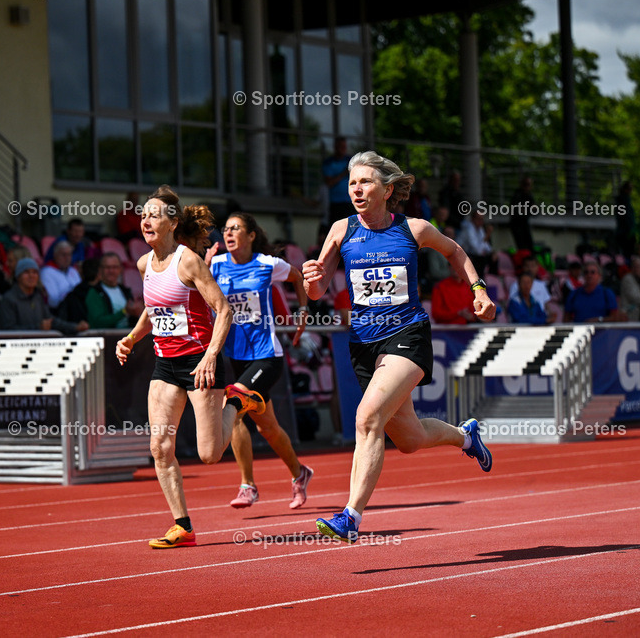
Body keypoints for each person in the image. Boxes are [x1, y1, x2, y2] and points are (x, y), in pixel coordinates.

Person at [302, 150, 495, 543]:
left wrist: (478, 290)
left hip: (407, 335)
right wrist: (310, 279)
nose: (356, 189)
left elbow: (455, 251)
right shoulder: (340, 230)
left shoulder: (415, 229)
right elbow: (318, 290)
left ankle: (350, 517)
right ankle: (465, 436)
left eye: (365, 182)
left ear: (387, 190)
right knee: (410, 439)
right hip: (364, 344)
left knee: (367, 418)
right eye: (352, 183)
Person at [115, 186, 241, 548]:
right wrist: (131, 338)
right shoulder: (144, 264)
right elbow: (154, 309)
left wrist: (211, 355)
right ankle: (182, 526)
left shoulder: (188, 261)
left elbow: (224, 310)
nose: (145, 221)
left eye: (154, 215)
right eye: (143, 215)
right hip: (165, 365)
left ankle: (236, 402)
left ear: (172, 223)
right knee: (160, 446)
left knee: (209, 454)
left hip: (199, 362)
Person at [210, 211, 314, 510]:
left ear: (251, 235)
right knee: (267, 428)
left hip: (266, 356)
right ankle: (300, 473)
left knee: (233, 406)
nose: (229, 233)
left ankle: (248, 486)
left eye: (236, 228)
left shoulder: (268, 264)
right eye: (226, 229)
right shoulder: (216, 265)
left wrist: (303, 311)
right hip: (236, 356)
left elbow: (297, 276)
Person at [0, 258, 88, 334]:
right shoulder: (9, 299)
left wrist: (75, 327)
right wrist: (38, 328)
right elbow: (8, 330)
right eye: (26, 272)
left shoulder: (37, 297)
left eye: (34, 272)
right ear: (18, 277)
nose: (31, 276)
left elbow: (51, 321)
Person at [61, 253, 143, 328]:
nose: (111, 271)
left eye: (115, 267)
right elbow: (97, 323)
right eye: (107, 267)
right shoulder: (94, 292)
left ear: (120, 269)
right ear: (100, 270)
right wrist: (124, 312)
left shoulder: (125, 291)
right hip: (109, 337)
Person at [41, 241, 82, 311]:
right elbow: (52, 301)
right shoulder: (47, 272)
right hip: (59, 311)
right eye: (63, 255)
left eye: (69, 255)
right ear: (55, 255)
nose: (67, 258)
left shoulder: (72, 270)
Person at [322, 136, 354, 222]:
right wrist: (343, 173)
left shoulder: (350, 161)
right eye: (341, 147)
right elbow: (329, 183)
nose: (343, 149)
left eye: (344, 147)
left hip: (350, 202)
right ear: (335, 147)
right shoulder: (329, 162)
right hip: (336, 203)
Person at [456, 209, 494, 276]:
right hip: (460, 255)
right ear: (473, 219)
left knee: (493, 256)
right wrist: (487, 235)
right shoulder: (468, 229)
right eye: (478, 219)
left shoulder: (480, 229)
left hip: (472, 256)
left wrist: (492, 253)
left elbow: (487, 248)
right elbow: (477, 251)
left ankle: (491, 278)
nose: (481, 221)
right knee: (481, 260)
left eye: (482, 219)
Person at [509, 176, 535, 252]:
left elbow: (534, 210)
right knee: (521, 245)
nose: (528, 187)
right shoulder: (517, 195)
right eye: (526, 185)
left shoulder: (529, 195)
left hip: (524, 222)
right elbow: (516, 210)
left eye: (529, 185)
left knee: (529, 244)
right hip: (517, 223)